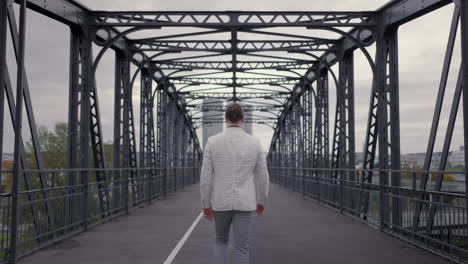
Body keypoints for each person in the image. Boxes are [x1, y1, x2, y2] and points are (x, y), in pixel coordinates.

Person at [200, 102, 270, 264]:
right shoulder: (255, 142)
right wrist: (261, 201)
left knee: (220, 241)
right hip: (246, 203)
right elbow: (263, 175)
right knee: (242, 247)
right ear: (243, 119)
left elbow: (205, 177)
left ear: (225, 118)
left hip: (220, 203)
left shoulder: (212, 141)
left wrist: (205, 204)